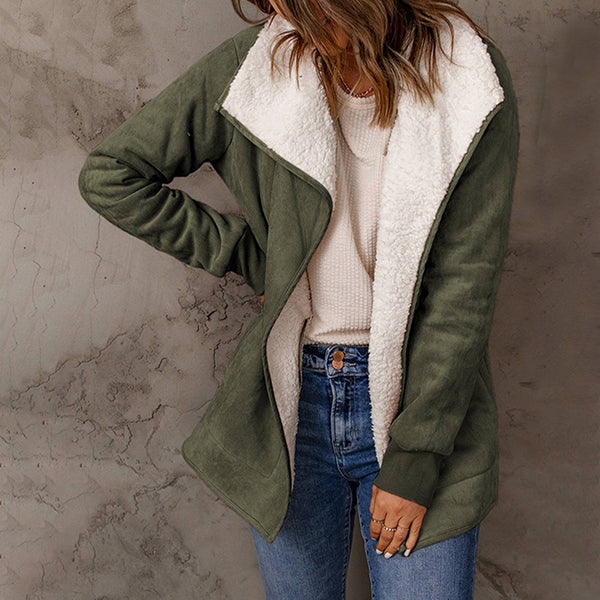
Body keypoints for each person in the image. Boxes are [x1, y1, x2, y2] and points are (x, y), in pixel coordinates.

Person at [78, 1, 520, 598]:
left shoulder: (467, 74)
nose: (298, 17)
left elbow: (465, 286)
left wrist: (417, 453)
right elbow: (112, 174)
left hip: (422, 401)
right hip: (293, 405)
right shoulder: (256, 67)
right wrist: (247, 254)